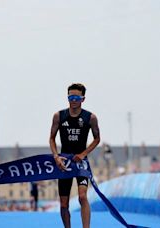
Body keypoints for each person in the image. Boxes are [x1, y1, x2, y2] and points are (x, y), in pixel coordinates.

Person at [49, 83, 101, 228]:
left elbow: (97, 139)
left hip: (81, 162)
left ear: (82, 99)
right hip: (64, 162)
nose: (73, 100)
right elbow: (52, 138)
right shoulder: (59, 116)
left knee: (82, 196)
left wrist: (83, 154)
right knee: (64, 204)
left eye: (76, 97)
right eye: (70, 97)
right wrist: (56, 156)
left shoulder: (90, 118)